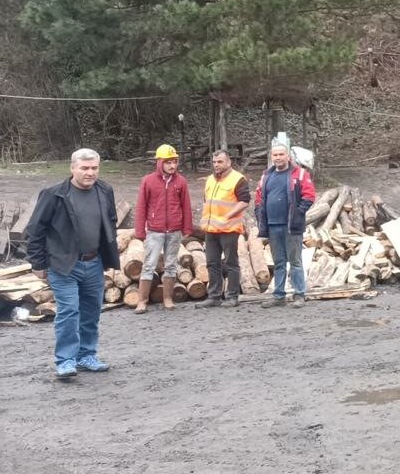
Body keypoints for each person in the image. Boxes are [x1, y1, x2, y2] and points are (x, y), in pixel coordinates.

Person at [25, 148, 119, 379]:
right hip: (64, 263)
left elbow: (110, 222)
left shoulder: (105, 190)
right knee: (69, 312)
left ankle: (86, 355)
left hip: (94, 261)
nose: (90, 173)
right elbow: (36, 230)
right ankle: (66, 360)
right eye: (84, 168)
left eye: (94, 168)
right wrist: (38, 262)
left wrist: (108, 257)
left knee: (91, 312)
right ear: (72, 168)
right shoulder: (54, 194)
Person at [133, 144, 193, 313]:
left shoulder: (181, 181)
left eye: (174, 162)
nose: (172, 166)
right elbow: (141, 207)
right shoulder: (148, 181)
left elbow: (185, 205)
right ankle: (142, 300)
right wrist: (139, 230)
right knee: (149, 264)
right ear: (159, 162)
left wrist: (186, 227)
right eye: (168, 162)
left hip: (174, 230)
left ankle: (167, 298)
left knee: (171, 265)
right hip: (155, 230)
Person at [255, 141, 317, 308]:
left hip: (291, 225)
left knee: (295, 261)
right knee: (279, 262)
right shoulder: (266, 175)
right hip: (273, 225)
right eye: (275, 155)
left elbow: (309, 196)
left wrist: (298, 213)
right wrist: (260, 215)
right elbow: (259, 197)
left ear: (288, 156)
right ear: (271, 157)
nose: (278, 157)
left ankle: (299, 294)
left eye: (281, 154)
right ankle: (279, 296)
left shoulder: (300, 174)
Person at [196, 150, 250, 308]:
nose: (216, 165)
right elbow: (207, 201)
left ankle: (232, 296)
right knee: (212, 262)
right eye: (214, 162)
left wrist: (228, 215)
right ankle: (214, 296)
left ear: (228, 162)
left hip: (229, 228)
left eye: (220, 162)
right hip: (211, 229)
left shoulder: (238, 179)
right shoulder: (210, 180)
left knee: (231, 262)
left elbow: (244, 201)